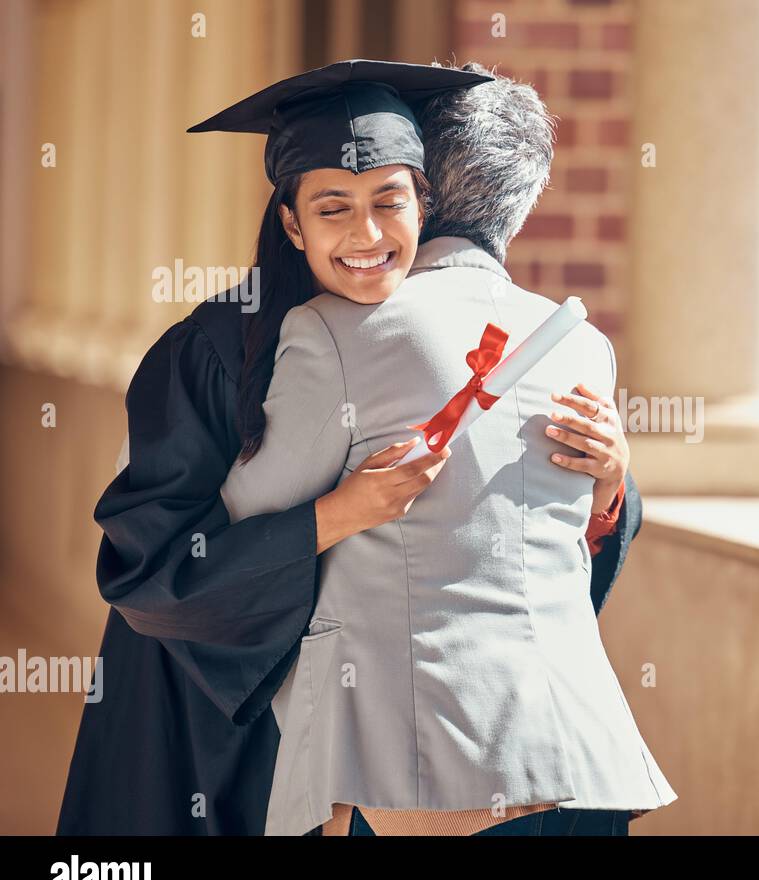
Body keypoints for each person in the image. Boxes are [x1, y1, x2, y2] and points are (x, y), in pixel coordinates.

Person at [55, 60, 645, 836]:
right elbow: (154, 570)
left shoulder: (437, 334)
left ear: (423, 203)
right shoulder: (213, 351)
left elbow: (519, 541)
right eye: (334, 207)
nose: (367, 236)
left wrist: (612, 483)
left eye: (390, 201)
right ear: (293, 221)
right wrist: (335, 515)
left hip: (374, 742)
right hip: (217, 719)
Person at [214, 61, 677, 837]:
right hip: (586, 763)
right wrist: (611, 490)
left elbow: (244, 528)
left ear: (422, 191)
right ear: (523, 203)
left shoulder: (335, 329)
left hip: (425, 779)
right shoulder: (582, 345)